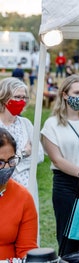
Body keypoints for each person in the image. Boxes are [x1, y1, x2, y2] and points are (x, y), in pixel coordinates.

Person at [41, 74, 79, 255]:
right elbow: (57, 160)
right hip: (67, 186)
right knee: (69, 237)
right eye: (76, 92)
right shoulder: (52, 125)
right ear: (65, 95)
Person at [0, 77, 44, 207]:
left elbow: (39, 155)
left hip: (26, 186)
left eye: (24, 98)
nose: (21, 101)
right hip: (3, 187)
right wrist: (23, 154)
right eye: (17, 97)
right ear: (4, 97)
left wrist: (11, 162)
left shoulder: (26, 124)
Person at [0, 127, 38, 260]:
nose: (6, 167)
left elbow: (27, 249)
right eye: (0, 162)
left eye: (11, 161)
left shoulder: (23, 198)